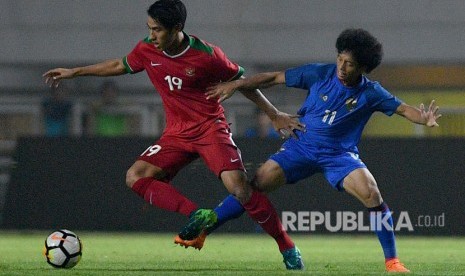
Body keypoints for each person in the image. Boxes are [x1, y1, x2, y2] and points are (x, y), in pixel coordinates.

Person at [43, 0, 305, 270]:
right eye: (149, 29)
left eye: (157, 30)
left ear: (177, 28)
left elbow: (244, 84)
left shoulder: (208, 55)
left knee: (240, 189)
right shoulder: (147, 48)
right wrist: (75, 72)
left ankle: (287, 248)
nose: (151, 36)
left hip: (209, 128)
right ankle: (196, 214)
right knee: (135, 176)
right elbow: (119, 65)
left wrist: (273, 114)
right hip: (176, 134)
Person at [181, 28, 442, 273]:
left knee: (371, 193)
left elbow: (404, 109)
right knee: (253, 187)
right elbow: (273, 78)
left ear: (363, 67)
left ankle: (392, 261)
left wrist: (424, 118)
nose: (341, 66)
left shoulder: (372, 92)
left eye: (349, 63)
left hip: (339, 156)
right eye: (340, 59)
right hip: (301, 147)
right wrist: (236, 85)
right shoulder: (320, 73)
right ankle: (204, 230)